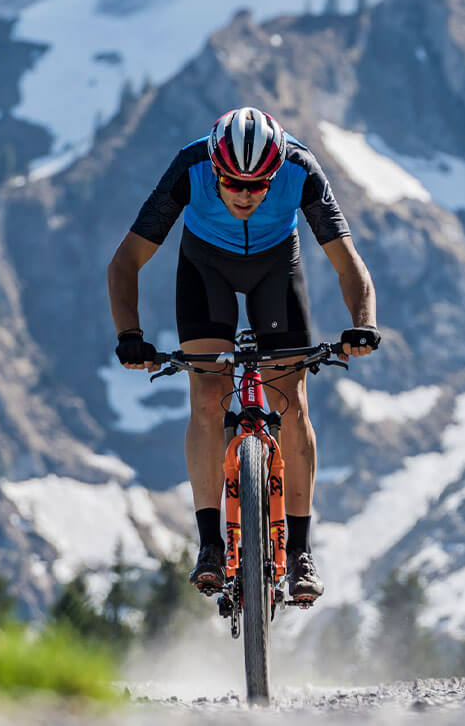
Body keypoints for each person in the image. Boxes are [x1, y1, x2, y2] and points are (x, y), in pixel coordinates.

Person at [105, 107, 381, 607]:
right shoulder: (190, 167)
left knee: (291, 402)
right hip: (204, 269)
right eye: (232, 182)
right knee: (209, 395)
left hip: (277, 268)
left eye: (259, 185)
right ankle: (210, 543)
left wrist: (363, 323)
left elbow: (349, 264)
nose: (245, 195)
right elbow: (124, 262)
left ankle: (299, 552)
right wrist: (130, 334)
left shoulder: (302, 168)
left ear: (277, 170)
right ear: (215, 168)